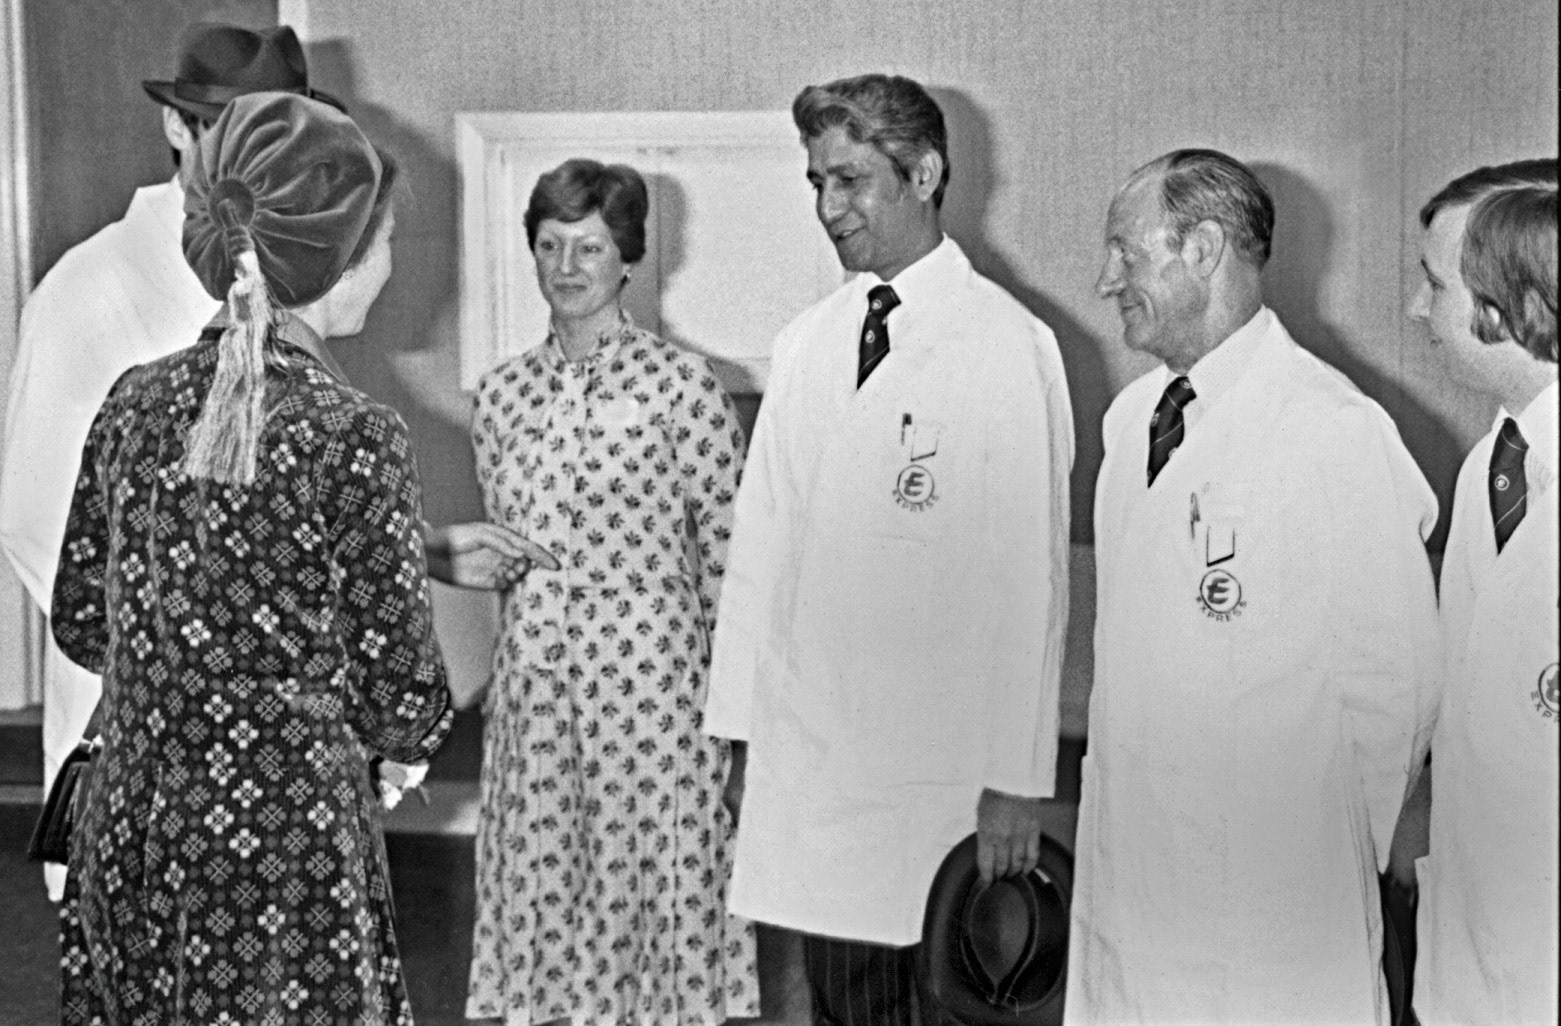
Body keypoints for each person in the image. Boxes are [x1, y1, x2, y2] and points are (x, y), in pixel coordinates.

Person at [50, 91, 452, 1025]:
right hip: (281, 861)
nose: (390, 262)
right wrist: (380, 748)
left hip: (130, 828)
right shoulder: (351, 434)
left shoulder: (134, 403)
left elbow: (80, 619)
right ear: (344, 263)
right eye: (384, 239)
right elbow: (405, 701)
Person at [704, 73, 1074, 1023]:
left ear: (924, 173)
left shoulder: (1006, 344)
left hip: (940, 763)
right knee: (840, 1001)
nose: (828, 209)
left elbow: (1029, 580)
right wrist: (739, 733)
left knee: (930, 1001)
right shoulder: (807, 345)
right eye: (817, 183)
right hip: (814, 753)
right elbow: (762, 553)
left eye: (851, 181)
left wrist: (1015, 781)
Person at [1065, 149, 1441, 1024]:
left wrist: (1319, 843)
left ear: (1202, 248)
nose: (1103, 277)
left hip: (1273, 902)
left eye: (1125, 251)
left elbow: (1400, 688)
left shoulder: (1333, 429)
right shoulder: (1130, 424)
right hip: (1133, 882)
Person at [0, 23, 338, 902]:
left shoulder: (290, 282)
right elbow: (35, 518)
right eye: (228, 129)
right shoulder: (89, 290)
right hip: (140, 727)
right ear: (178, 130)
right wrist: (190, 650)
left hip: (276, 738)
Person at [464, 158, 759, 1025]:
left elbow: (727, 559)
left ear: (627, 257)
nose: (567, 266)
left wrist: (731, 715)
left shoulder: (684, 388)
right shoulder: (501, 397)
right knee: (547, 890)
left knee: (652, 899)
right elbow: (500, 555)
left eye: (587, 246)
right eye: (549, 245)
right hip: (538, 696)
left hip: (652, 700)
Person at [1407, 159, 1557, 1026]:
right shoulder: (1490, 467)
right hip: (1473, 946)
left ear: (1506, 309)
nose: (1417, 311)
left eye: (1435, 286)